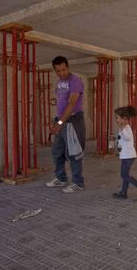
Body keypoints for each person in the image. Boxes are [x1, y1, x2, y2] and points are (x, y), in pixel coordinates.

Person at [45, 56, 86, 193]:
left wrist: (60, 122)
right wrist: (57, 120)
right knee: (57, 151)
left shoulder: (75, 81)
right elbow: (61, 102)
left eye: (63, 69)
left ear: (68, 67)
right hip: (61, 120)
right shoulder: (58, 83)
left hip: (73, 120)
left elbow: (72, 103)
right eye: (58, 71)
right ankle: (61, 178)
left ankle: (77, 182)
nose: (61, 73)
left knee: (74, 152)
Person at [113, 106, 137, 199]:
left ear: (124, 119)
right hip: (125, 155)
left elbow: (128, 137)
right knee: (125, 174)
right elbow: (123, 139)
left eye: (117, 118)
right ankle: (123, 192)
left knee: (124, 175)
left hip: (128, 155)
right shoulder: (123, 128)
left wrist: (122, 129)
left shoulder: (126, 127)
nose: (116, 120)